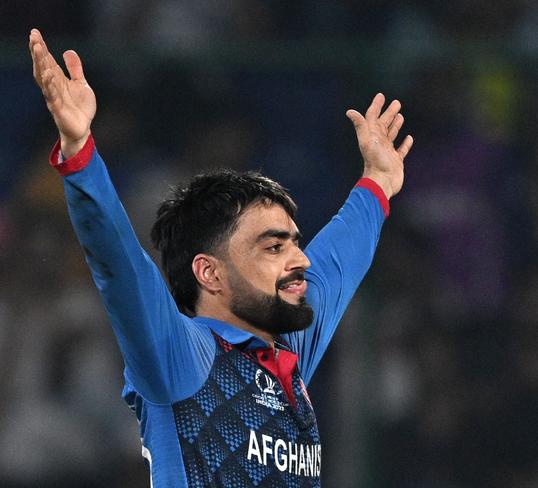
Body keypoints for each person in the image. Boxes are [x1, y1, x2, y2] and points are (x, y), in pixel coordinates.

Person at [28, 27, 413, 487]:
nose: (300, 260)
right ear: (209, 272)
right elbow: (120, 265)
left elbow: (337, 262)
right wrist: (80, 153)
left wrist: (378, 183)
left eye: (293, 243)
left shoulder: (286, 358)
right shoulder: (183, 358)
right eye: (273, 247)